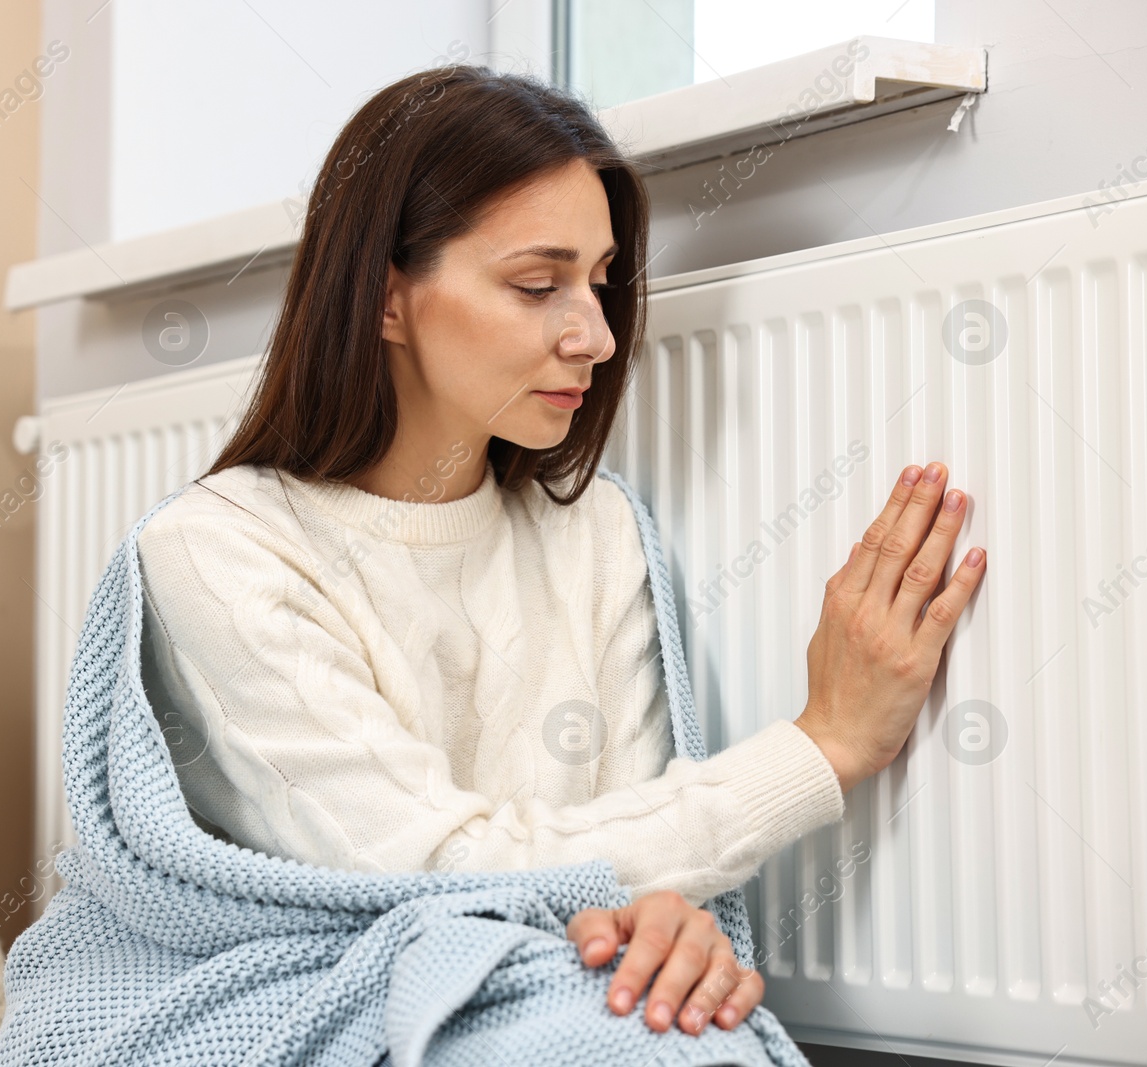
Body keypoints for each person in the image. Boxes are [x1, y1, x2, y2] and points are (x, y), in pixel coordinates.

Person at [134, 63, 985, 1039]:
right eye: (537, 284)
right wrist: (822, 746)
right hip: (322, 986)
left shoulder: (594, 530)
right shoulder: (218, 549)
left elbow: (627, 846)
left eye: (598, 281)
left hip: (547, 973)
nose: (594, 335)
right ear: (385, 299)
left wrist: (663, 918)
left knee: (679, 1031)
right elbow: (429, 871)